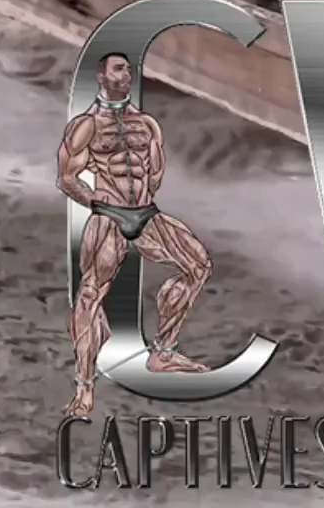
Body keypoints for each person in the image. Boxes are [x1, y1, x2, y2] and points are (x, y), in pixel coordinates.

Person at [56, 52, 220, 419]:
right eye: (118, 69)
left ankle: (163, 352)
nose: (126, 74)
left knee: (198, 265)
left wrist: (141, 200)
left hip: (146, 213)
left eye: (129, 69)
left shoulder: (146, 124)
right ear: (101, 77)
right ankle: (84, 389)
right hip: (108, 216)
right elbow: (67, 177)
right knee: (90, 296)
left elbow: (155, 172)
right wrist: (96, 200)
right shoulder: (86, 126)